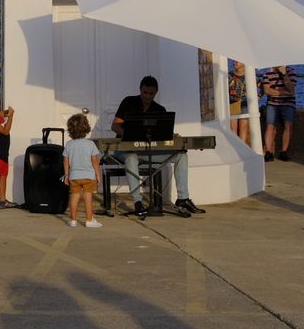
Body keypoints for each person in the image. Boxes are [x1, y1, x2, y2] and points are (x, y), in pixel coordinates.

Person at [110, 76, 202, 218]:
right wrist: (128, 135)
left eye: (151, 94)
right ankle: (138, 202)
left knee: (181, 155)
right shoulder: (129, 102)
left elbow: (162, 133)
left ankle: (183, 198)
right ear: (140, 90)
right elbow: (115, 125)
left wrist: (172, 135)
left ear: (156, 93)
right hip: (125, 150)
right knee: (131, 157)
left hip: (147, 152)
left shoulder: (159, 109)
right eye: (145, 92)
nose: (147, 96)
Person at [62, 113, 102, 228]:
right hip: (88, 176)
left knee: (74, 197)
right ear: (86, 127)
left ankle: (73, 220)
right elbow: (95, 161)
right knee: (87, 197)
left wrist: (66, 175)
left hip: (74, 176)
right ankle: (89, 220)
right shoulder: (90, 144)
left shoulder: (69, 145)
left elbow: (65, 161)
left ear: (70, 129)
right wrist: (97, 175)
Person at [260, 65, 298, 161]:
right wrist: (284, 93)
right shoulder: (267, 74)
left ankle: (283, 152)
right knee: (269, 125)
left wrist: (284, 74)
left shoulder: (291, 72)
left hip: (288, 103)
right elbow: (267, 90)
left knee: (288, 125)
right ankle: (268, 152)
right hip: (272, 103)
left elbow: (291, 89)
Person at [228, 60, 249, 146]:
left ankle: (242, 147)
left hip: (244, 104)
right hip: (232, 103)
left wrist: (258, 97)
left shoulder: (249, 76)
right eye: (234, 61)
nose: (235, 62)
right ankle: (235, 147)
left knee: (243, 126)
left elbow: (261, 87)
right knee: (233, 127)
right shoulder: (229, 76)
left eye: (238, 61)